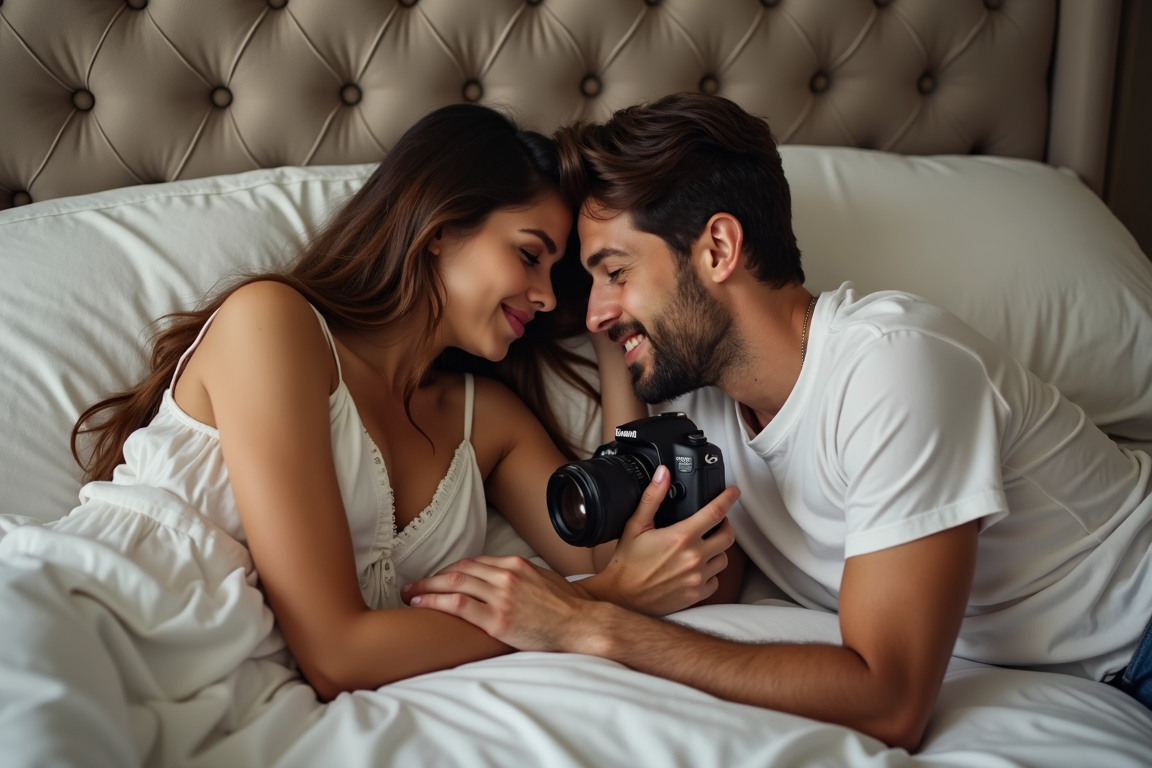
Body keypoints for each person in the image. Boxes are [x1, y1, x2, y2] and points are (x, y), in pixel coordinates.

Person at [402, 93, 1152, 750]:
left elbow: (889, 703)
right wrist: (617, 349)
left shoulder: (894, 369)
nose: (595, 311)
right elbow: (701, 585)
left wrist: (591, 626)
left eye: (617, 272)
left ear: (719, 248)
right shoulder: (699, 401)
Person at [23, 103, 734, 703]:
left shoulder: (485, 422)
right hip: (87, 623)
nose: (547, 296)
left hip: (225, 698)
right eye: (529, 255)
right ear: (439, 229)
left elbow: (622, 551)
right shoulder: (274, 327)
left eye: (559, 274)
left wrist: (608, 321)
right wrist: (600, 606)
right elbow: (337, 652)